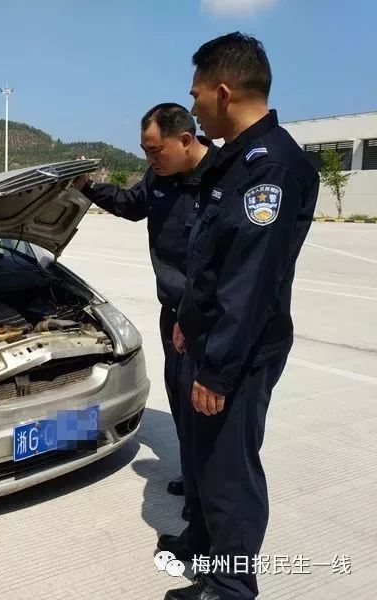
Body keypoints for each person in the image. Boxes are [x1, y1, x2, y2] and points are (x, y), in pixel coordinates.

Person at [162, 33, 319, 600]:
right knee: (204, 461)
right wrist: (186, 319)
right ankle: (206, 555)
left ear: (223, 92)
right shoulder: (235, 160)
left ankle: (230, 589)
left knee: (230, 472)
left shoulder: (271, 167)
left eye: (197, 94)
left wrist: (218, 368)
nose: (195, 104)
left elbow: (250, 283)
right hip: (208, 339)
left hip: (242, 351)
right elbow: (209, 260)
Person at [73, 103, 217, 523]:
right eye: (145, 151)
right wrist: (86, 188)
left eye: (155, 151)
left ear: (185, 140)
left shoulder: (221, 179)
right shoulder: (158, 176)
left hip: (206, 316)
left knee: (209, 409)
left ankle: (209, 496)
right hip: (172, 314)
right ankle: (193, 482)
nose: (149, 160)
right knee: (181, 402)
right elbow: (130, 203)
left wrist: (195, 317)